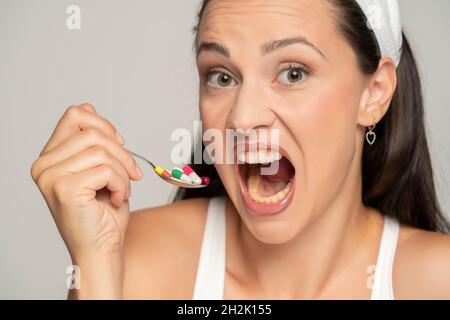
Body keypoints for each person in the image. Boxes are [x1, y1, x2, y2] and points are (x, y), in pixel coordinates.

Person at [30, 0, 450, 300]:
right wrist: (97, 264)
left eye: (293, 72)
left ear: (374, 94)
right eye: (222, 77)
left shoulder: (439, 281)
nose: (243, 119)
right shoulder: (135, 256)